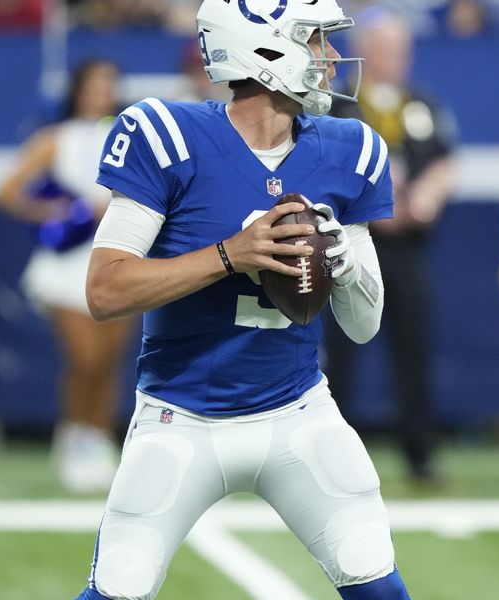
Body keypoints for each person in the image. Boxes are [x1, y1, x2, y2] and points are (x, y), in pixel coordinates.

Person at [74, 1, 412, 599]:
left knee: (374, 578)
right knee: (118, 588)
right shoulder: (169, 135)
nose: (332, 59)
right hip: (180, 418)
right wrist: (230, 254)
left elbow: (364, 326)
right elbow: (104, 290)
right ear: (266, 51)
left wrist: (346, 265)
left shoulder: (348, 147)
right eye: (315, 41)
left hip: (297, 411)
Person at [324, 5, 456, 484]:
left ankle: (418, 453)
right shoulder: (341, 105)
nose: (395, 58)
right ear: (365, 53)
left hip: (409, 248)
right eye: (385, 49)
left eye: (401, 49)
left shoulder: (420, 104)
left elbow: (443, 161)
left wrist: (427, 195)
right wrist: (376, 207)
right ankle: (328, 454)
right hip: (352, 244)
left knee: (413, 347)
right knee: (339, 351)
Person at [0, 59, 135, 494]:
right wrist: (57, 212)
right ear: (77, 90)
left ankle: (96, 438)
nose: (102, 92)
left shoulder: (128, 137)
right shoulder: (56, 138)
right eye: (94, 84)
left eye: (109, 84)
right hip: (66, 264)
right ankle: (75, 436)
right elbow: (6, 191)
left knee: (110, 360)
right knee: (85, 358)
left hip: (118, 258)